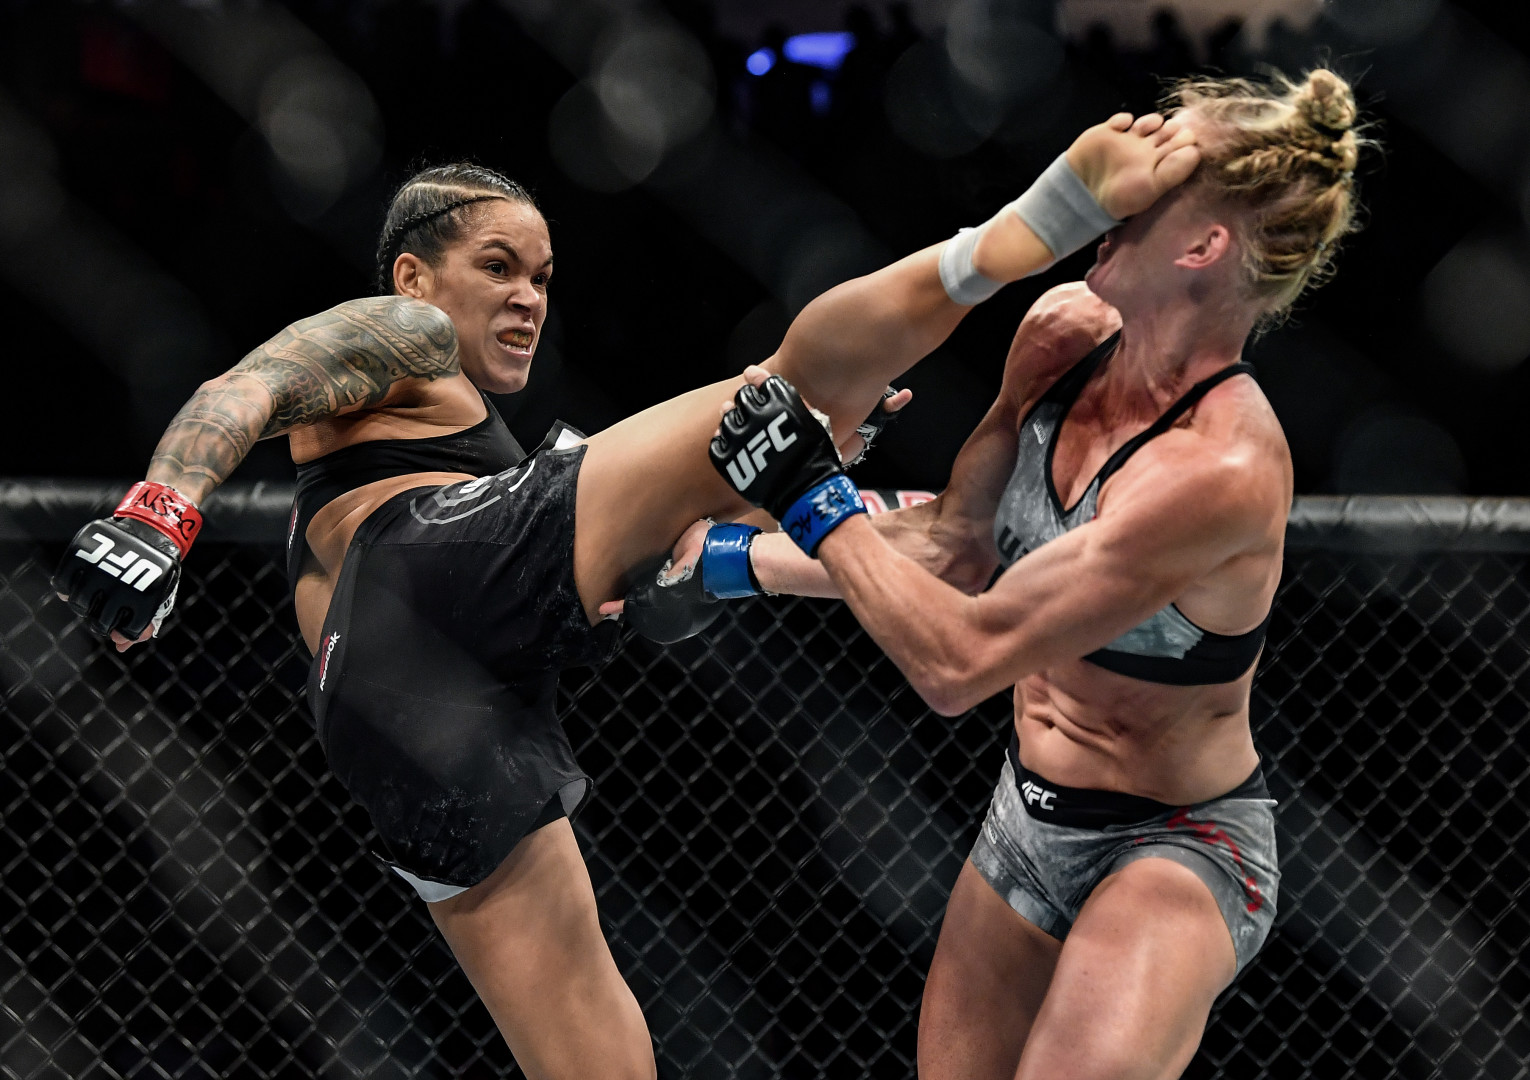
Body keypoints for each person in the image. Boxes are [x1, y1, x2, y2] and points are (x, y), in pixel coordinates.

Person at [51, 110, 1198, 1077]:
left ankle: (858, 490)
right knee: (771, 396)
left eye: (543, 276)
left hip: (431, 728)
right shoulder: (401, 339)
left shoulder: (504, 463)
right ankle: (1024, 228)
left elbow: (706, 564)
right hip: (427, 580)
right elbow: (244, 385)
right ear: (415, 275)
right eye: (496, 266)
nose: (527, 298)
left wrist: (862, 492)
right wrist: (163, 512)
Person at [619, 68, 1369, 1080]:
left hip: (1177, 848)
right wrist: (732, 560)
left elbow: (959, 661)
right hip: (1025, 823)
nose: (1117, 188)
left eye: (1154, 179)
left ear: (1201, 247)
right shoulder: (1063, 340)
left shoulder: (1220, 469)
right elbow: (958, 552)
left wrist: (809, 493)